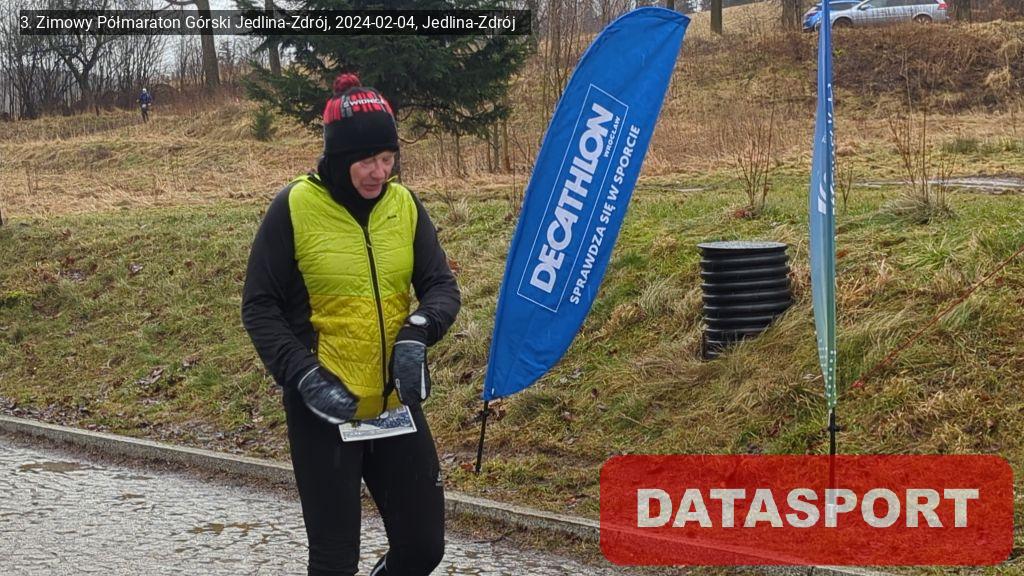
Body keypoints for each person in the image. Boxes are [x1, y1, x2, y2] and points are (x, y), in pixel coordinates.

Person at [242, 73, 461, 575]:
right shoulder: (294, 208)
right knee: (335, 562)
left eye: (387, 159)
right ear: (338, 157)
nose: (379, 173)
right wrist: (302, 374)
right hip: (325, 411)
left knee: (423, 547)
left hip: (392, 406)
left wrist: (419, 329)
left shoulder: (404, 206)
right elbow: (259, 306)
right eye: (366, 161)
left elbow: (441, 286)